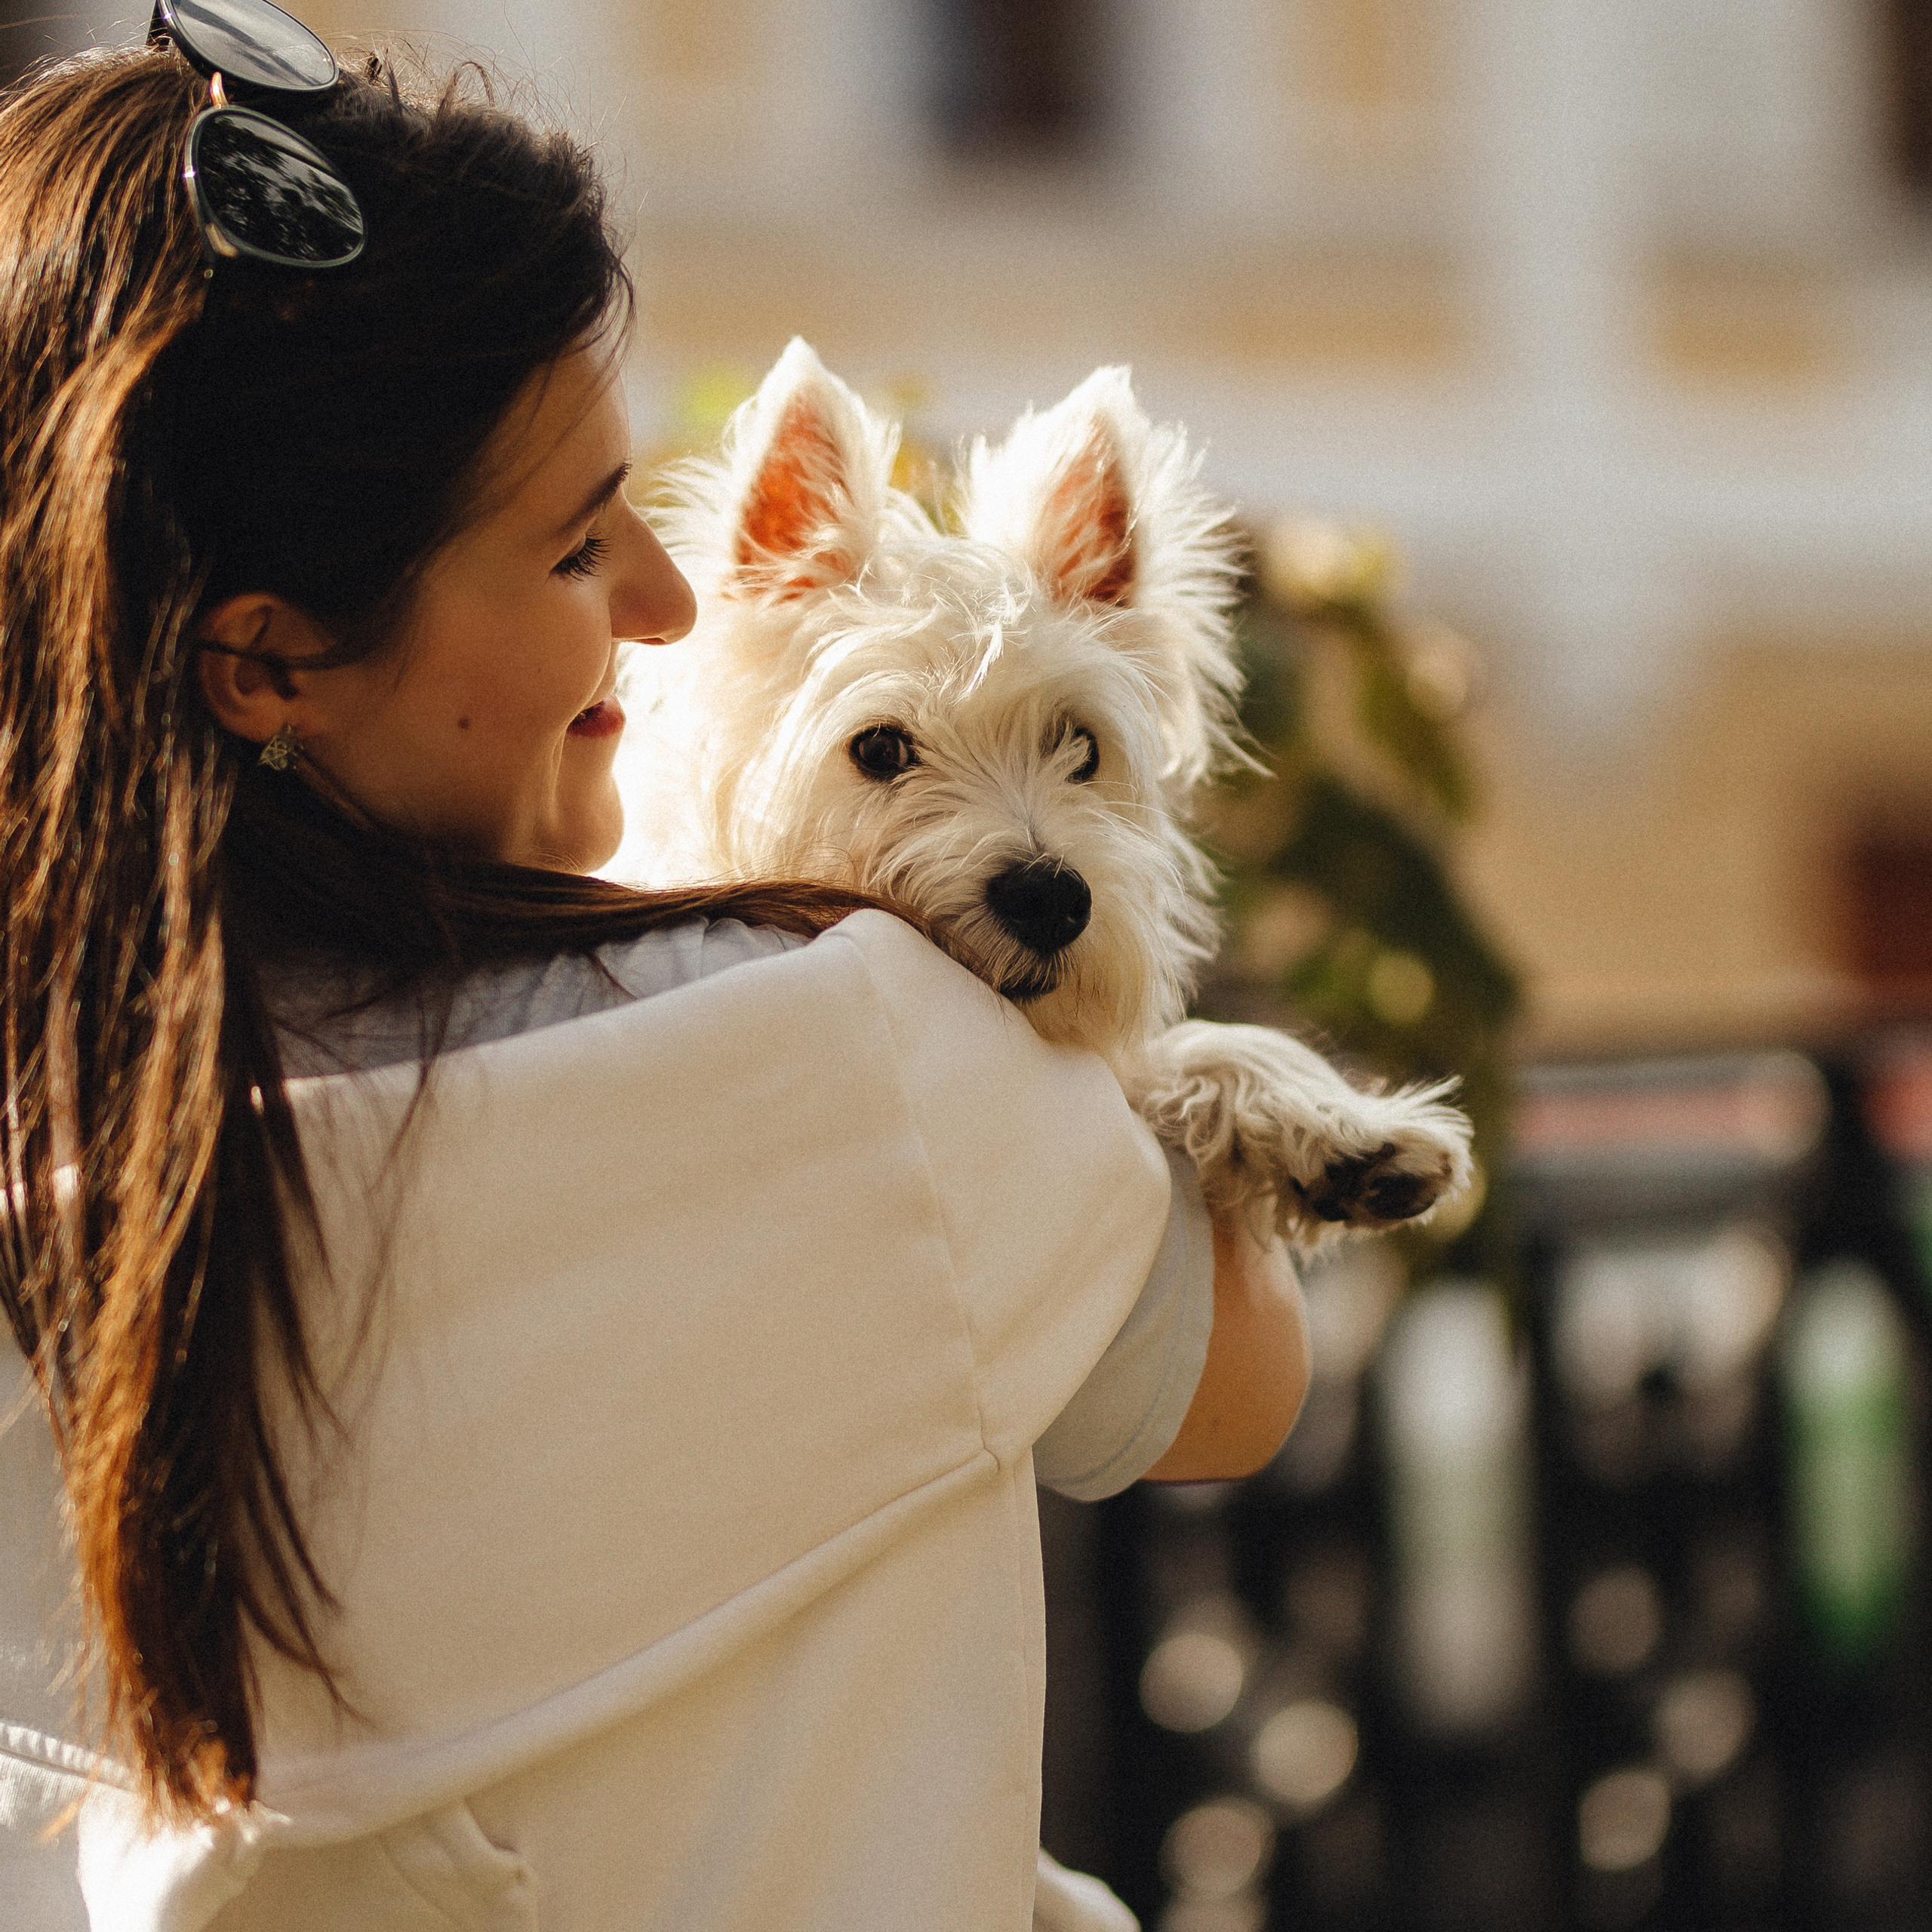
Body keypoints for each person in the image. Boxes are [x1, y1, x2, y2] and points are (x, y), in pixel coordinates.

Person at [0, 16, 1309, 1931]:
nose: (668, 600)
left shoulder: (53, 1178)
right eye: (565, 548)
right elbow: (1237, 1378)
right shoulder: (856, 1045)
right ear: (265, 661)